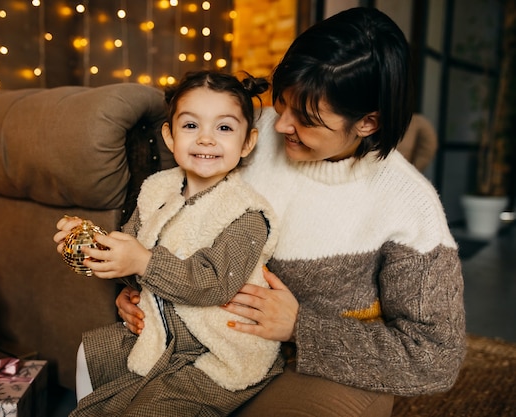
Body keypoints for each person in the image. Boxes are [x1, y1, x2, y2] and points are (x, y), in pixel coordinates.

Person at [115, 7, 467, 417]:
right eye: (281, 103)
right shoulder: (243, 135)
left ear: (368, 123)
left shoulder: (409, 204)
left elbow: (435, 358)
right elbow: (174, 218)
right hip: (200, 340)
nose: (280, 126)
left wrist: (301, 328)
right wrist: (145, 292)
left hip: (315, 365)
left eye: (306, 118)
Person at [54, 70, 284, 416]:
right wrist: (89, 243)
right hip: (161, 330)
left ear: (247, 142)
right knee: (92, 351)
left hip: (218, 346)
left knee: (153, 409)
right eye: (191, 126)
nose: (206, 139)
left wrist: (145, 263)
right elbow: (129, 259)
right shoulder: (156, 190)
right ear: (170, 136)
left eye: (223, 128)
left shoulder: (247, 213)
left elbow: (214, 284)